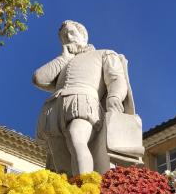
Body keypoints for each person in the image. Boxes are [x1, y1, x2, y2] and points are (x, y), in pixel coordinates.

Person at [33, 20, 135, 176]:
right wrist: (64, 57)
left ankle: (86, 187)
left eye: (72, 32)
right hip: (55, 109)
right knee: (59, 162)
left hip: (83, 102)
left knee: (77, 137)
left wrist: (115, 97)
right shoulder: (62, 64)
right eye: (63, 36)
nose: (68, 37)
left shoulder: (104, 53)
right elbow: (39, 78)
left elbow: (116, 79)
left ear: (83, 36)